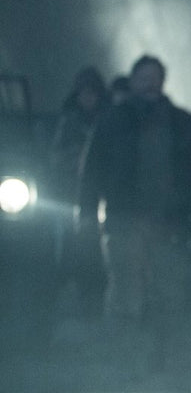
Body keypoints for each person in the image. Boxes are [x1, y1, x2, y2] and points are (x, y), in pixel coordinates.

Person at [77, 54, 191, 368]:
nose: (150, 83)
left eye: (155, 77)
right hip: (124, 218)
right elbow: (93, 169)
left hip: (168, 220)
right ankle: (122, 359)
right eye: (144, 77)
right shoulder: (113, 121)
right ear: (134, 81)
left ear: (163, 81)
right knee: (125, 291)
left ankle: (165, 359)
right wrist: (86, 212)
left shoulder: (181, 123)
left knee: (168, 292)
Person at [48, 66, 110, 318]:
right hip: (71, 194)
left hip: (101, 195)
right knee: (71, 245)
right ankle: (77, 290)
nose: (88, 98)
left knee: (98, 246)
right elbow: (56, 156)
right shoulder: (69, 121)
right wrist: (77, 158)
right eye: (84, 93)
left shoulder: (108, 120)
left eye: (92, 93)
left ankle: (95, 291)